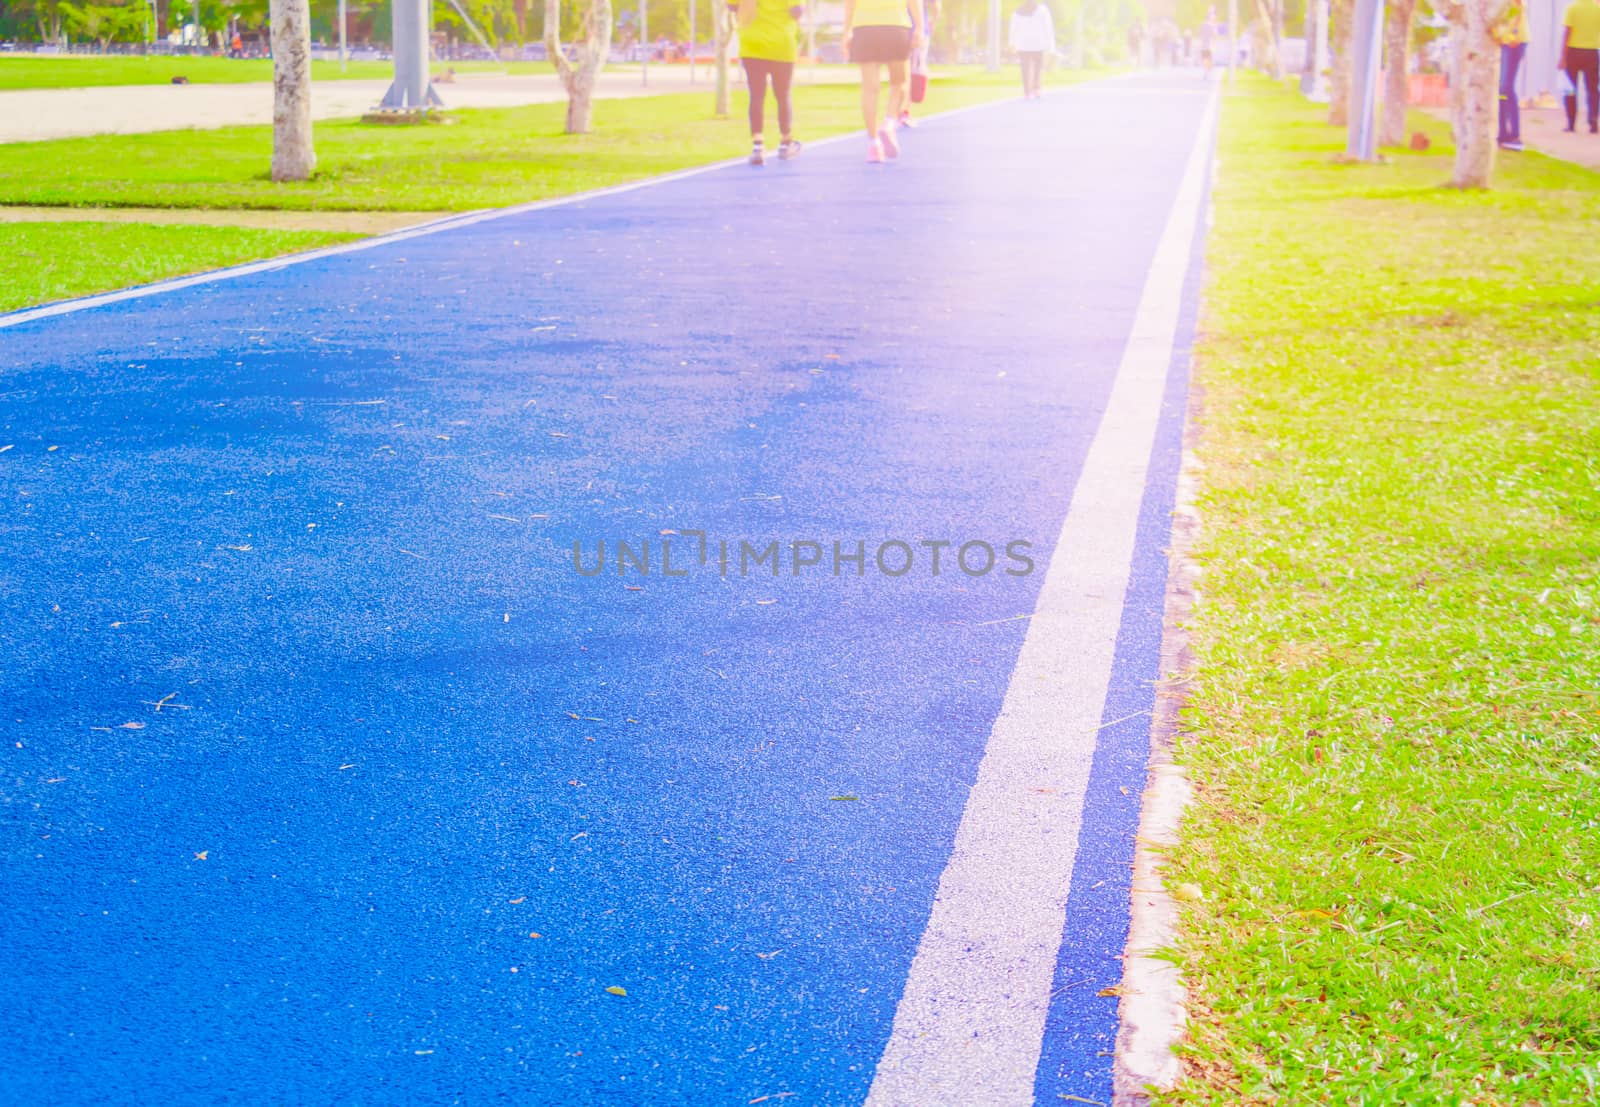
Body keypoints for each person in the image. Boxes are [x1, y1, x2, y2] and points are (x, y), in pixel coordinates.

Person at [843, 0, 925, 162]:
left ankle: (874, 145)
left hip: (865, 29)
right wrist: (920, 28)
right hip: (896, 25)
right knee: (901, 83)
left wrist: (846, 31)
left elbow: (850, 2)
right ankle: (888, 122)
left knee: (869, 89)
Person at [738, 0, 804, 164]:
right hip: (781, 43)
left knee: (756, 95)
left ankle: (758, 146)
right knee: (782, 94)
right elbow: (797, 10)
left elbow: (732, 6)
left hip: (752, 44)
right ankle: (785, 142)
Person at [898, 0, 940, 129]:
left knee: (903, 73)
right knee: (911, 73)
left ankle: (900, 112)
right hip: (915, 30)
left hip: (899, 29)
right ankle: (902, 112)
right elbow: (937, 6)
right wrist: (933, 22)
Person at [1561, 0, 1600, 133]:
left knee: (1571, 89)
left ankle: (1571, 123)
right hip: (1592, 52)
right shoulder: (1597, 9)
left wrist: (1563, 57)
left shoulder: (1572, 8)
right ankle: (1593, 120)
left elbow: (1567, 32)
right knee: (1593, 89)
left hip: (1573, 51)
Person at [1495, 0, 1529, 150]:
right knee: (1501, 90)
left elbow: (1519, 8)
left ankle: (1515, 135)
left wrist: (1513, 33)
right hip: (1503, 41)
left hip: (1515, 41)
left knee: (1506, 86)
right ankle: (1503, 133)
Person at [1009, 0, 1054, 100]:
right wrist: (1050, 45)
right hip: (1038, 43)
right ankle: (1036, 89)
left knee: (1025, 69)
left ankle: (1027, 92)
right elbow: (1048, 28)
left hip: (1023, 44)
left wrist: (1012, 43)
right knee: (1038, 68)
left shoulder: (1017, 12)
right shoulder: (1043, 10)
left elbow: (1013, 29)